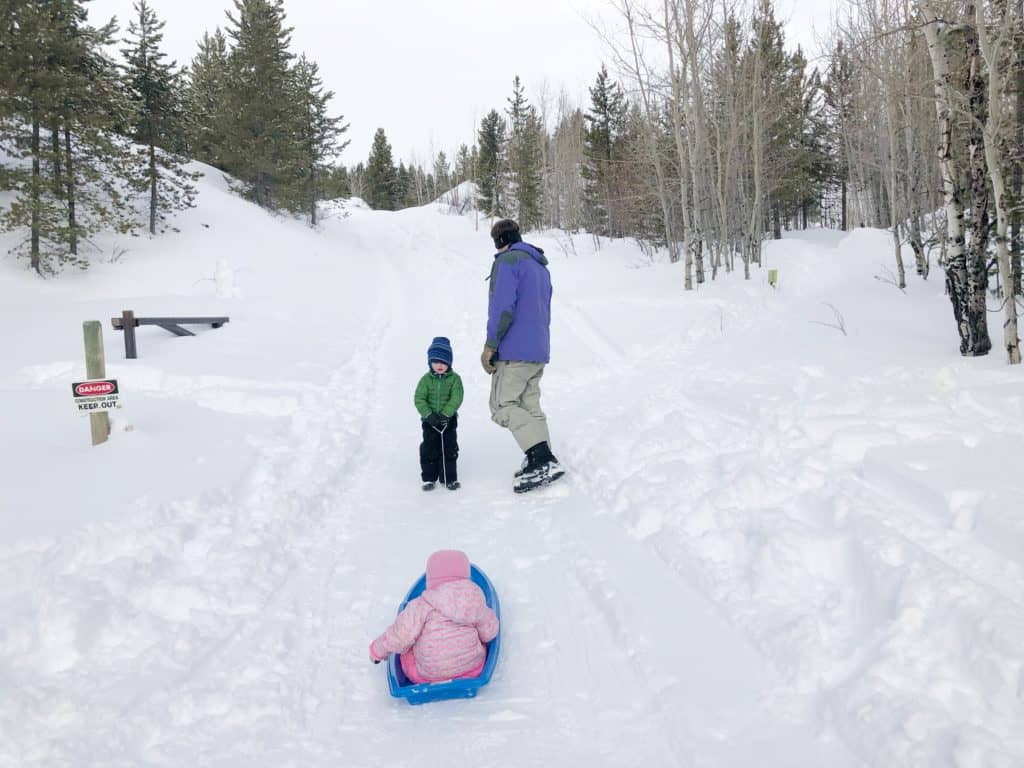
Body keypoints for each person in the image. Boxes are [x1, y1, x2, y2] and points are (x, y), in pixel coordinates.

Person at [481, 219, 565, 493]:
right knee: (529, 405)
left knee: (502, 406)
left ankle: (542, 458)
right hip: (538, 349)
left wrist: (491, 345)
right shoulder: (540, 266)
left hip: (514, 350)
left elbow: (502, 308)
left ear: (499, 241)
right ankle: (539, 457)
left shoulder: (507, 262)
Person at [369, 550, 499, 684]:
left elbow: (400, 636)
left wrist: (377, 651)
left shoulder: (421, 605)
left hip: (427, 676)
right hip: (472, 670)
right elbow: (489, 633)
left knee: (406, 652)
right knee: (476, 638)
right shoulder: (474, 601)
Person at [414, 337, 463, 491]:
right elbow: (419, 399)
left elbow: (457, 397)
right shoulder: (425, 380)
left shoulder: (455, 379)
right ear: (430, 363)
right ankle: (429, 478)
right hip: (430, 422)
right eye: (435, 362)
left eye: (443, 362)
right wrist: (429, 415)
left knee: (449, 448)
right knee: (429, 449)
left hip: (448, 421)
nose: (440, 365)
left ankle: (449, 479)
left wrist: (446, 414)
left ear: (449, 362)